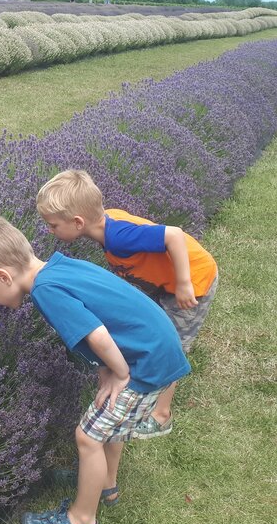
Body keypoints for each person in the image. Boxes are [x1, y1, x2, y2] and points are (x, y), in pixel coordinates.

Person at [0, 216, 189, 524]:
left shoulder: (46, 290)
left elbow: (96, 333)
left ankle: (81, 523)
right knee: (108, 419)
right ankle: (105, 485)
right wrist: (106, 369)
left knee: (88, 438)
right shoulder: (58, 268)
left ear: (3, 276)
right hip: (153, 345)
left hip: (146, 362)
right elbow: (104, 313)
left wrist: (120, 372)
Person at [36, 169, 218, 439]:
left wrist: (183, 283)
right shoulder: (106, 226)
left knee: (171, 345)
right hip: (163, 283)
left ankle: (161, 415)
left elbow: (174, 235)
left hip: (193, 280)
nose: (49, 231)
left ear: (77, 222)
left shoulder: (118, 237)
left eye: (53, 225)